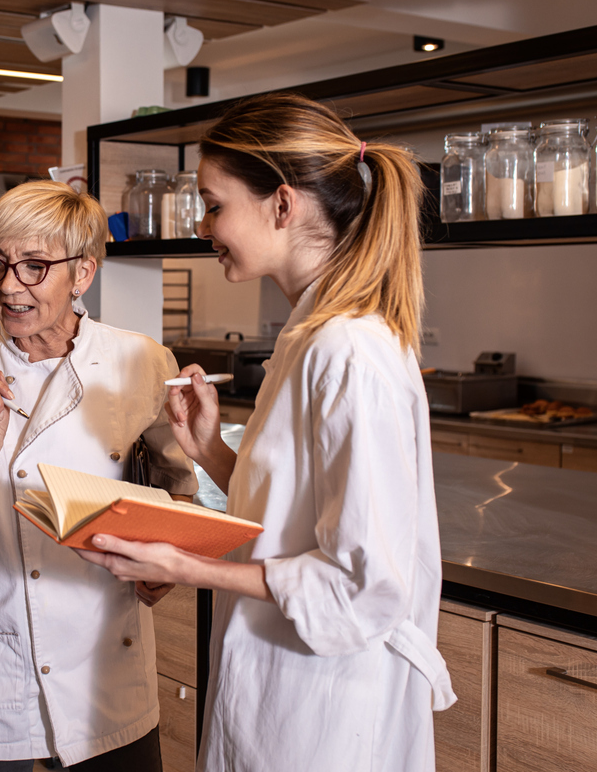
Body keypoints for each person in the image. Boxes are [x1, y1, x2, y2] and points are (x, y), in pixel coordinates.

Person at [79, 92, 456, 771]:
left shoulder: (349, 349)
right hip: (279, 693)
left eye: (214, 203)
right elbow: (300, 517)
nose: (202, 224)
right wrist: (211, 454)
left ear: (281, 205)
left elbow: (362, 581)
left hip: (329, 713)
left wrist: (184, 567)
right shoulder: (307, 336)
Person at [0, 181, 197, 771]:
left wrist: (164, 566)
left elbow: (175, 485)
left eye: (34, 267)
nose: (9, 286)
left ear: (83, 273)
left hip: (108, 661)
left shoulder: (140, 361)